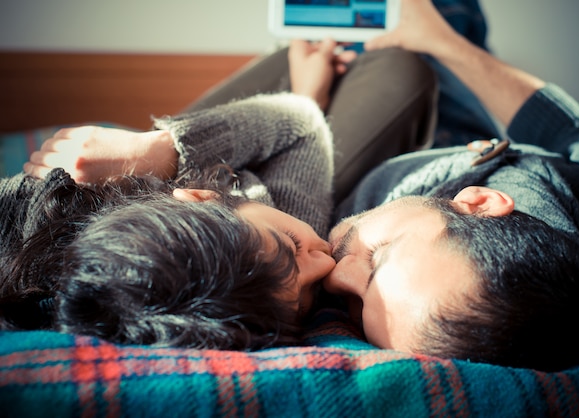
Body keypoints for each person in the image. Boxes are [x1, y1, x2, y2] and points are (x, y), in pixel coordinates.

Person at [1, 40, 438, 350]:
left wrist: (158, 152)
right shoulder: (273, 251)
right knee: (398, 68)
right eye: (307, 302)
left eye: (294, 248)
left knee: (298, 52)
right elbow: (304, 126)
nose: (327, 263)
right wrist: (307, 94)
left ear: (200, 197)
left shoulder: (23, 222)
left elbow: (299, 124)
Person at [320, 0, 579, 371]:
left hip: (383, 153)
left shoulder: (326, 228)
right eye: (379, 256)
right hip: (478, 141)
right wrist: (444, 43)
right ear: (479, 203)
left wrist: (312, 97)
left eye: (358, 307)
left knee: (397, 61)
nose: (336, 276)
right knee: (456, 16)